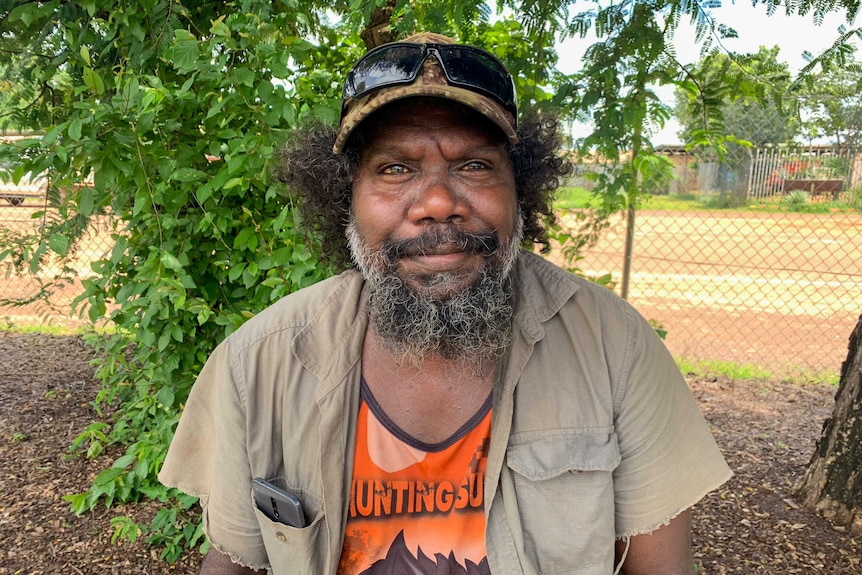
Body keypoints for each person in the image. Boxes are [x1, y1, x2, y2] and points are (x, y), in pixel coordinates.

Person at [159, 31, 732, 575]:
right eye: (395, 168)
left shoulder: (616, 349)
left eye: (474, 165)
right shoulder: (256, 364)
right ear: (345, 197)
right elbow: (235, 563)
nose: (437, 202)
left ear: (521, 191)